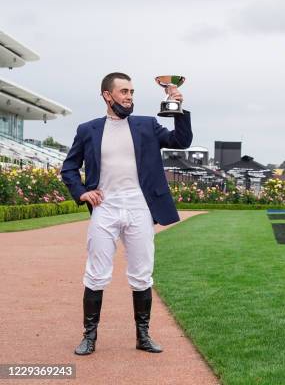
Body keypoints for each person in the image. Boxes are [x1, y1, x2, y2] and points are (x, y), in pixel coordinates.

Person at [61, 72, 193, 355]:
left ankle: (143, 336)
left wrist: (179, 108)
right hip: (104, 207)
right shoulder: (88, 130)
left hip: (139, 207)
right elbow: (69, 167)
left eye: (132, 92)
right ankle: (89, 337)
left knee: (142, 274)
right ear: (107, 95)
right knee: (96, 274)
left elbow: (181, 140)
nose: (129, 97)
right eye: (124, 92)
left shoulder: (146, 125)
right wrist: (82, 191)